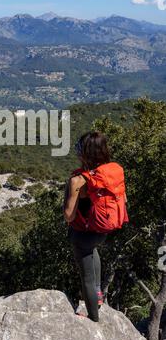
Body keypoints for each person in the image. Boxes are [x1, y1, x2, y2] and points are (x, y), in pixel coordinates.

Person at [64, 131, 129, 322]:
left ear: (84, 154)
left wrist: (67, 195)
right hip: (103, 230)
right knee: (93, 252)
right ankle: (99, 294)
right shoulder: (112, 173)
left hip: (83, 235)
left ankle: (93, 317)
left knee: (87, 279)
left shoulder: (78, 181)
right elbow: (123, 199)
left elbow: (69, 215)